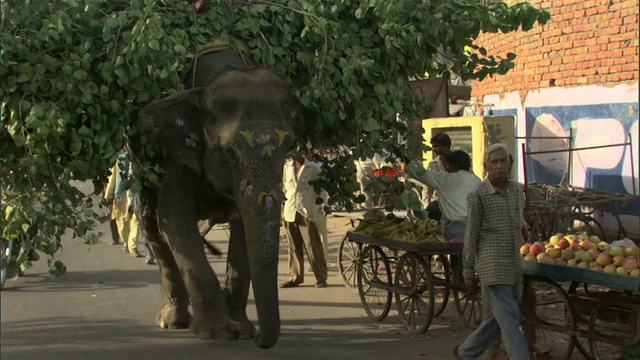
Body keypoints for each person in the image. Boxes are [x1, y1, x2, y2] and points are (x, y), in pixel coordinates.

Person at [454, 143, 529, 360]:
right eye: (493, 162)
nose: (499, 166)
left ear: (510, 163)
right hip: (492, 265)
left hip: (514, 263)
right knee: (511, 319)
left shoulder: (516, 190)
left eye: (503, 161)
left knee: (499, 317)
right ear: (485, 165)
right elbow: (471, 234)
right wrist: (468, 270)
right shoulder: (478, 195)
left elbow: (519, 223)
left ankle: (465, 352)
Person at [405, 150, 481, 241]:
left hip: (454, 228)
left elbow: (421, 174)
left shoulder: (447, 179)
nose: (446, 169)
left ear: (455, 166)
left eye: (448, 166)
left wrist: (405, 159)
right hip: (476, 228)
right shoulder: (477, 181)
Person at [280, 151, 329, 288]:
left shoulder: (313, 168)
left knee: (313, 245)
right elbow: (285, 189)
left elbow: (322, 189)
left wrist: (325, 204)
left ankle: (321, 277)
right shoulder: (287, 167)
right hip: (290, 210)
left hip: (306, 210)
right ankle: (295, 277)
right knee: (294, 247)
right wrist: (281, 212)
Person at [104, 147, 143, 258]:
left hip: (134, 193)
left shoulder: (136, 159)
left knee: (135, 219)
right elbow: (112, 178)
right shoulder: (118, 160)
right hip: (121, 194)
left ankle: (133, 247)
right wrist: (109, 195)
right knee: (121, 221)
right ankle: (126, 242)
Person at [423, 133, 452, 220]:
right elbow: (427, 186)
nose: (433, 149)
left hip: (456, 204)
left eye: (437, 146)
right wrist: (427, 204)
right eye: (433, 146)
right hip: (438, 205)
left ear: (446, 146)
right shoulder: (433, 164)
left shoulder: (459, 160)